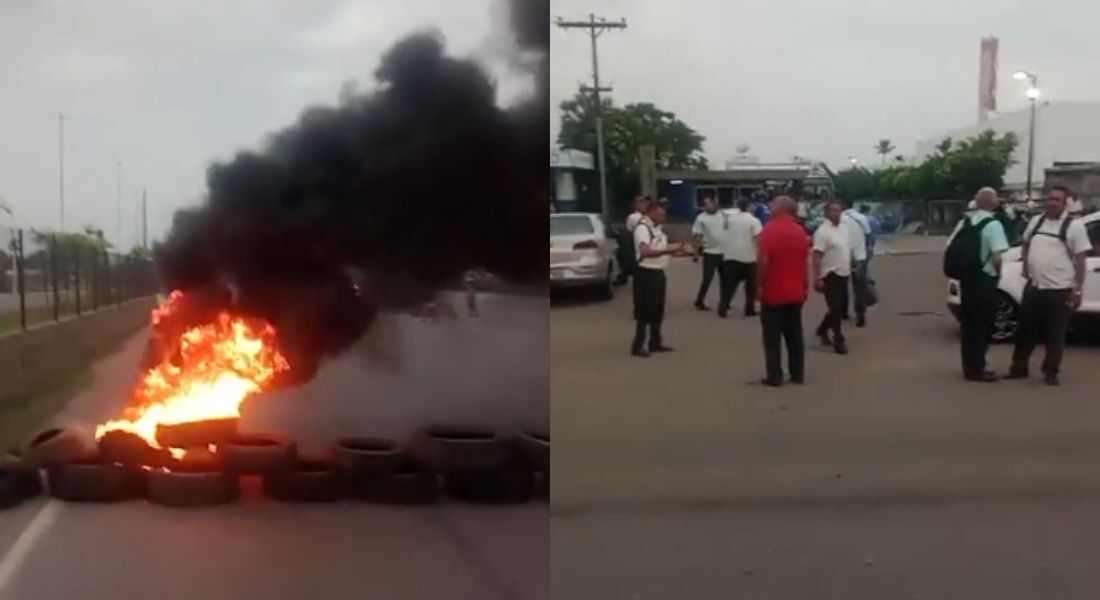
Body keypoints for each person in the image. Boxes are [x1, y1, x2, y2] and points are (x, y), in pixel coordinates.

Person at [1005, 186, 1089, 385]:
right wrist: (1026, 265)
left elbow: (1080, 259)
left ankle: (1051, 372)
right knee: (1025, 331)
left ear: (1065, 203)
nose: (1051, 202)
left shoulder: (1074, 227)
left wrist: (1077, 289)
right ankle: (1019, 367)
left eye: (1057, 199)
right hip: (1034, 287)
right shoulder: (1036, 221)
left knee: (1055, 334)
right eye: (1049, 198)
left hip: (1059, 291)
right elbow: (1026, 243)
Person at [946, 187, 1010, 382]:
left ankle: (969, 366)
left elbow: (950, 246)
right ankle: (977, 368)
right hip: (983, 280)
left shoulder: (964, 222)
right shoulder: (993, 225)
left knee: (969, 325)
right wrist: (998, 276)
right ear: (994, 202)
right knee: (983, 326)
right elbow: (998, 257)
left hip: (966, 279)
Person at [756, 195, 809, 386]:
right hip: (796, 291)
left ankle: (775, 375)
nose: (770, 208)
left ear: (780, 209)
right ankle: (798, 373)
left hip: (774, 292)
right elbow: (803, 262)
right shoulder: (800, 232)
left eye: (773, 205)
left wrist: (758, 285)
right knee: (795, 334)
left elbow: (763, 261)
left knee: (772, 337)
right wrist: (804, 286)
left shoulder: (769, 231)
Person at [631, 201, 689, 357]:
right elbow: (646, 252)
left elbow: (662, 250)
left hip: (658, 271)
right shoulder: (642, 229)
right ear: (650, 213)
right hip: (646, 273)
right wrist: (669, 249)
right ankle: (638, 345)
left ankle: (655, 342)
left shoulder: (657, 229)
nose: (663, 217)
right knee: (645, 310)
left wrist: (681, 251)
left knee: (658, 310)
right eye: (660, 214)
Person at [812, 201, 852, 354]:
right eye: (834, 211)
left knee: (840, 307)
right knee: (835, 307)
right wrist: (818, 277)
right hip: (830, 274)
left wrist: (852, 264)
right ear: (827, 213)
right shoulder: (822, 232)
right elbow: (816, 255)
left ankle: (822, 329)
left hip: (844, 272)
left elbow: (845, 248)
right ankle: (838, 339)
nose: (837, 213)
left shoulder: (843, 228)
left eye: (839, 210)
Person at [718, 197, 763, 318]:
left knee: (729, 285)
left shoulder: (730, 219)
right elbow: (759, 239)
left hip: (731, 256)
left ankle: (723, 307)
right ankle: (749, 309)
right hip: (749, 257)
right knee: (750, 287)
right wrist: (761, 254)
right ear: (749, 206)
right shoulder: (754, 221)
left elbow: (725, 233)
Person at [691, 195, 725, 310]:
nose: (706, 206)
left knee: (725, 279)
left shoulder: (724, 216)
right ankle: (699, 300)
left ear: (715, 203)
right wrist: (695, 252)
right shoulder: (701, 218)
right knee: (707, 278)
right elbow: (697, 236)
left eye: (708, 203)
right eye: (704, 204)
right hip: (709, 252)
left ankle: (724, 302)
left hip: (724, 252)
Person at [841, 202, 872, 327]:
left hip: (843, 256)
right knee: (859, 286)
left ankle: (843, 312)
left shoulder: (839, 219)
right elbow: (868, 235)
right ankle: (860, 314)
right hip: (860, 256)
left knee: (842, 286)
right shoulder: (862, 218)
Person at [616, 196, 649, 285]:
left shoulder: (643, 216)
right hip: (637, 244)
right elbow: (629, 232)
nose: (645, 205)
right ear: (636, 205)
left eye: (645, 203)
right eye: (642, 203)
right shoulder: (634, 217)